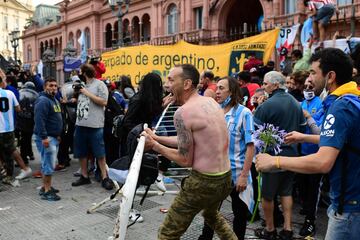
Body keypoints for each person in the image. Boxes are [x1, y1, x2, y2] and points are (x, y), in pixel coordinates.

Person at [255, 48, 360, 240]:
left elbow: (323, 162)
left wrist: (275, 161)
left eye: (313, 72)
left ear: (330, 76)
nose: (309, 79)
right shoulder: (350, 99)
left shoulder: (341, 107)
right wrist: (303, 137)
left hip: (349, 207)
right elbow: (339, 140)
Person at [142, 64, 237, 240]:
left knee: (166, 235)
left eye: (171, 79)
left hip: (203, 183)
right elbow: (190, 141)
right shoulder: (210, 102)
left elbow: (184, 159)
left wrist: (154, 146)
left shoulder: (183, 112)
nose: (167, 84)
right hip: (224, 178)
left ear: (186, 84)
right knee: (211, 215)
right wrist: (157, 138)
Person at [199, 76, 255, 240]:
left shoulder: (244, 113)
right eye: (217, 88)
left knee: (239, 215)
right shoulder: (215, 112)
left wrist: (244, 176)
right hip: (216, 173)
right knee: (210, 212)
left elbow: (251, 146)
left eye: (222, 88)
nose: (217, 92)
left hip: (237, 174)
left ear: (232, 91)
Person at [253, 71, 306, 240]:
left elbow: (256, 132)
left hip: (272, 157)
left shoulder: (267, 105)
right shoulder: (296, 103)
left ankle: (270, 230)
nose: (263, 86)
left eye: (266, 84)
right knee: (286, 192)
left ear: (275, 85)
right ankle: (288, 229)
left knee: (267, 196)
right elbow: (302, 130)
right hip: (292, 156)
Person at [71, 64, 113, 190]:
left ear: (84, 72)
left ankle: (105, 177)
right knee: (81, 152)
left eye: (80, 71)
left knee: (99, 153)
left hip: (95, 125)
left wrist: (86, 93)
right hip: (80, 124)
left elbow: (104, 102)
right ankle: (84, 176)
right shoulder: (82, 85)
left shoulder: (99, 85)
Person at [297, 77, 324, 237]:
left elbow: (318, 132)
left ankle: (310, 221)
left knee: (314, 189)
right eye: (306, 86)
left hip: (317, 154)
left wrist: (308, 117)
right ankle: (306, 208)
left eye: (311, 86)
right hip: (302, 152)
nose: (308, 88)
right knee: (302, 185)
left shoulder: (320, 104)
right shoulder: (300, 104)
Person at [0, 69, 32, 182]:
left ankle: (7, 172)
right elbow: (18, 109)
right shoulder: (10, 93)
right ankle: (12, 171)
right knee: (11, 150)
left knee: (8, 151)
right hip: (9, 127)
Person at [33, 77, 63, 201]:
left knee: (48, 163)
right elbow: (39, 121)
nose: (54, 88)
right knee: (48, 165)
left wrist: (58, 135)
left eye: (55, 86)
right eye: (51, 85)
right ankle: (47, 191)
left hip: (53, 137)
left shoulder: (53, 100)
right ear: (45, 87)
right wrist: (44, 137)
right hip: (46, 138)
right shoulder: (43, 101)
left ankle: (46, 186)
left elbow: (55, 118)